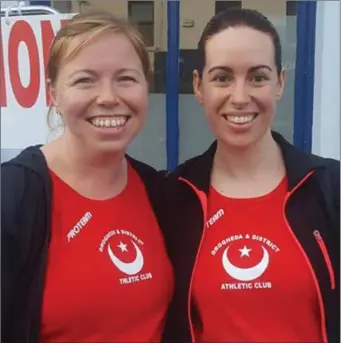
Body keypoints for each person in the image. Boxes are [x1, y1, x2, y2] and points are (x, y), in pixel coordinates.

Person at [160, 8, 340, 343]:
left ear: (280, 83)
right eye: (222, 78)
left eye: (257, 77)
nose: (240, 97)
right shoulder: (175, 198)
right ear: (199, 86)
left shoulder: (329, 187)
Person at [1, 12, 174, 343]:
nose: (108, 97)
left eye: (126, 78)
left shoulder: (158, 191)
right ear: (54, 93)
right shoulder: (14, 196)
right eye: (85, 80)